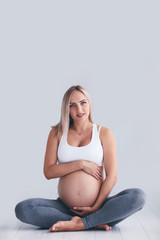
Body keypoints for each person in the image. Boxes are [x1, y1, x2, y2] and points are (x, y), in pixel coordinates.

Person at [15, 85, 146, 232]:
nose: (79, 109)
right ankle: (89, 223)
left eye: (83, 102)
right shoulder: (56, 133)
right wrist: (80, 164)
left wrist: (95, 207)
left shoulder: (104, 133)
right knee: (24, 209)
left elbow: (112, 177)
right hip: (64, 208)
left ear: (89, 103)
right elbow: (49, 172)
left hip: (98, 208)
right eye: (72, 105)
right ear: (67, 109)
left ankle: (83, 222)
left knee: (138, 196)